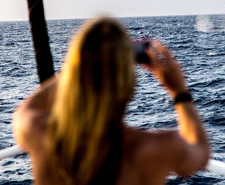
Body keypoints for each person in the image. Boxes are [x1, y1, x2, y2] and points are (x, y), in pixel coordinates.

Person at [13, 17, 210, 185]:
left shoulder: (41, 134)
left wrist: (80, 66)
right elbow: (200, 152)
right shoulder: (153, 149)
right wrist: (179, 91)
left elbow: (25, 111)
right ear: (128, 80)